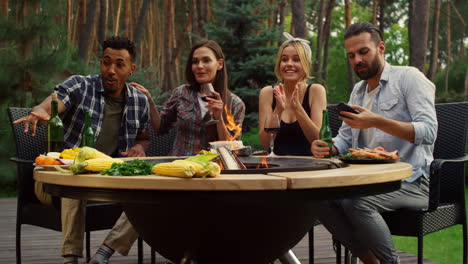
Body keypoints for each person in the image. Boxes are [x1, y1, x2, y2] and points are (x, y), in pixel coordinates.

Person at [13, 36, 150, 264]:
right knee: (74, 183)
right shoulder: (80, 85)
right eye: (106, 62)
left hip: (106, 181)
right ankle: (71, 259)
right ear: (100, 63)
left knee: (150, 195)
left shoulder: (139, 101)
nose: (111, 70)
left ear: (131, 69)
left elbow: (144, 137)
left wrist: (139, 146)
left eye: (119, 64)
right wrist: (42, 110)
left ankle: (104, 253)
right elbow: (54, 101)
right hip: (57, 181)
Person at [311, 22, 437, 264]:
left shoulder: (409, 78)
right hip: (368, 181)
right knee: (319, 199)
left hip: (414, 181)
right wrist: (330, 147)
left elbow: (429, 131)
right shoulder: (358, 92)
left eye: (363, 52)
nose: (357, 59)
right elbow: (345, 139)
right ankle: (371, 261)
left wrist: (377, 121)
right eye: (351, 55)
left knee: (356, 203)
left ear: (381, 48)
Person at [131, 39, 245, 155]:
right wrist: (149, 100)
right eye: (195, 62)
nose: (199, 66)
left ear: (219, 64)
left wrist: (219, 117)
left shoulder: (235, 103)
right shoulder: (182, 93)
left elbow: (232, 148)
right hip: (180, 164)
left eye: (206, 60)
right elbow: (160, 128)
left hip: (216, 167)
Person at [258, 32, 326, 156]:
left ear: (306, 64)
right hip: (275, 166)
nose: (289, 63)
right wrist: (278, 109)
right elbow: (265, 143)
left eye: (296, 59)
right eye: (284, 59)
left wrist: (298, 109)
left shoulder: (316, 91)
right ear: (279, 65)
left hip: (310, 166)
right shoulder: (267, 93)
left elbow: (318, 140)